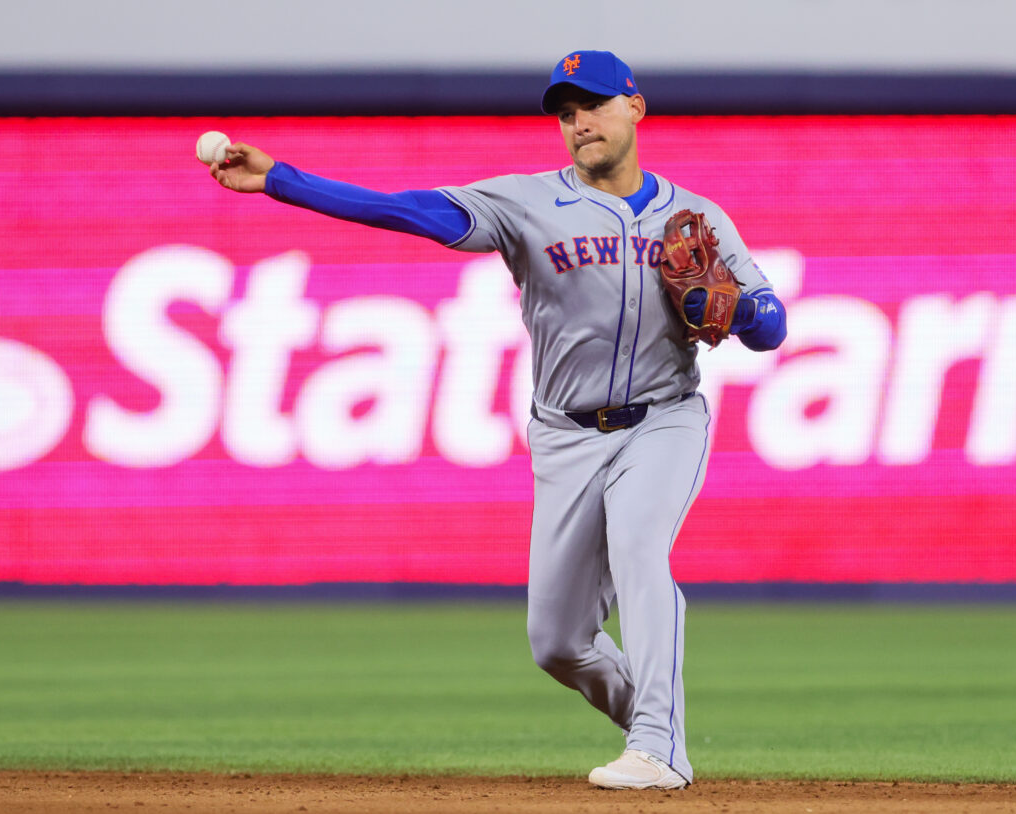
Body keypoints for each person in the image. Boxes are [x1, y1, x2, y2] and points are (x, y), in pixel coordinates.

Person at [206, 50, 786, 790]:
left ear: (635, 107)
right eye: (567, 112)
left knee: (640, 548)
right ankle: (654, 718)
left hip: (663, 423)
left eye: (596, 105)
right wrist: (282, 181)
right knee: (557, 642)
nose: (581, 122)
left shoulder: (695, 217)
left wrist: (739, 310)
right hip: (566, 436)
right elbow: (408, 210)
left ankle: (659, 747)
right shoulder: (526, 203)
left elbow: (772, 328)